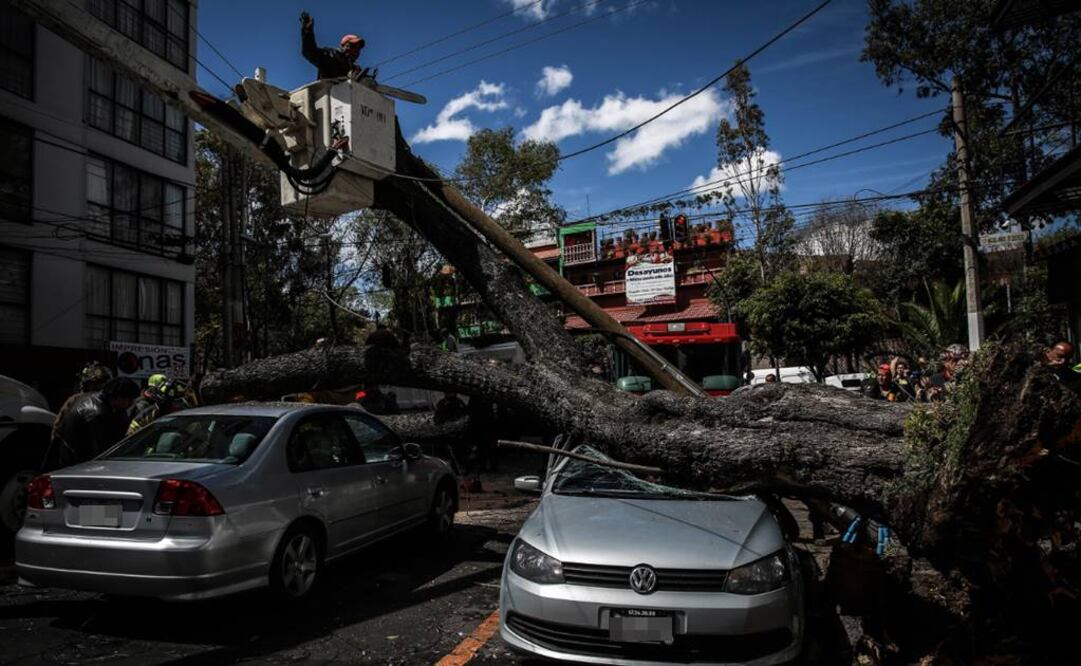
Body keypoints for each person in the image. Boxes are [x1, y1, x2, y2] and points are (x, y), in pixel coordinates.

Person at [49, 377, 140, 470]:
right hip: (76, 466)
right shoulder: (96, 414)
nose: (131, 403)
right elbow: (100, 452)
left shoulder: (109, 406)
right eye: (130, 399)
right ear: (118, 397)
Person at [300, 11, 365, 80]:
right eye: (353, 46)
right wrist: (307, 31)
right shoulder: (330, 55)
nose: (356, 51)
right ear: (344, 46)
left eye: (359, 49)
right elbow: (309, 51)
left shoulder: (356, 69)